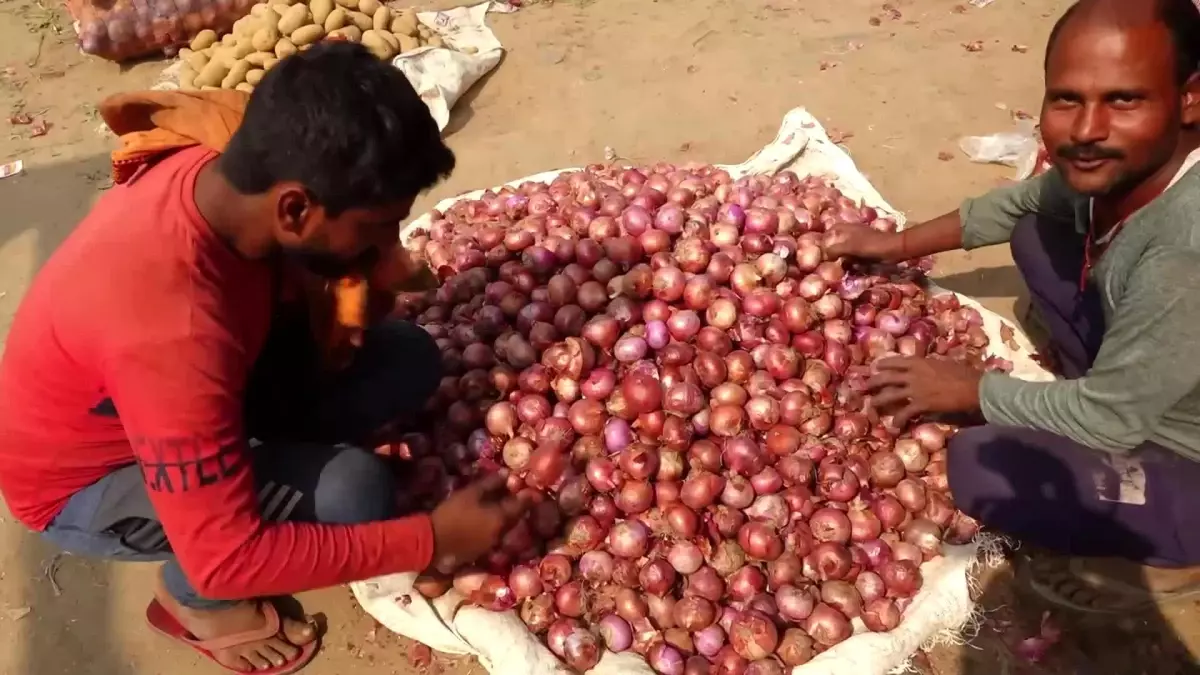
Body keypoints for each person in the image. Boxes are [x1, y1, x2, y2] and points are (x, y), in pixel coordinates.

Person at [0, 42, 528, 674]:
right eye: (375, 228)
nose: (389, 247)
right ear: (296, 210)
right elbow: (225, 555)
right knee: (352, 491)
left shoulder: (231, 155)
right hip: (87, 484)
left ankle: (267, 460)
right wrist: (435, 538)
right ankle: (194, 607)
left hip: (197, 388)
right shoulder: (171, 329)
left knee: (406, 359)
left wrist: (362, 275)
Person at [827, 0, 1200, 609]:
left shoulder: (1186, 248)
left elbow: (1112, 420)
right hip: (1156, 368)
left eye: (1123, 100)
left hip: (1186, 449)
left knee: (983, 465)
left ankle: (1181, 555)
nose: (1086, 129)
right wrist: (892, 244)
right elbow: (1017, 204)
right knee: (1035, 226)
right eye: (1067, 99)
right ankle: (1096, 381)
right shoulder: (1125, 166)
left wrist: (972, 391)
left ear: (1190, 99)